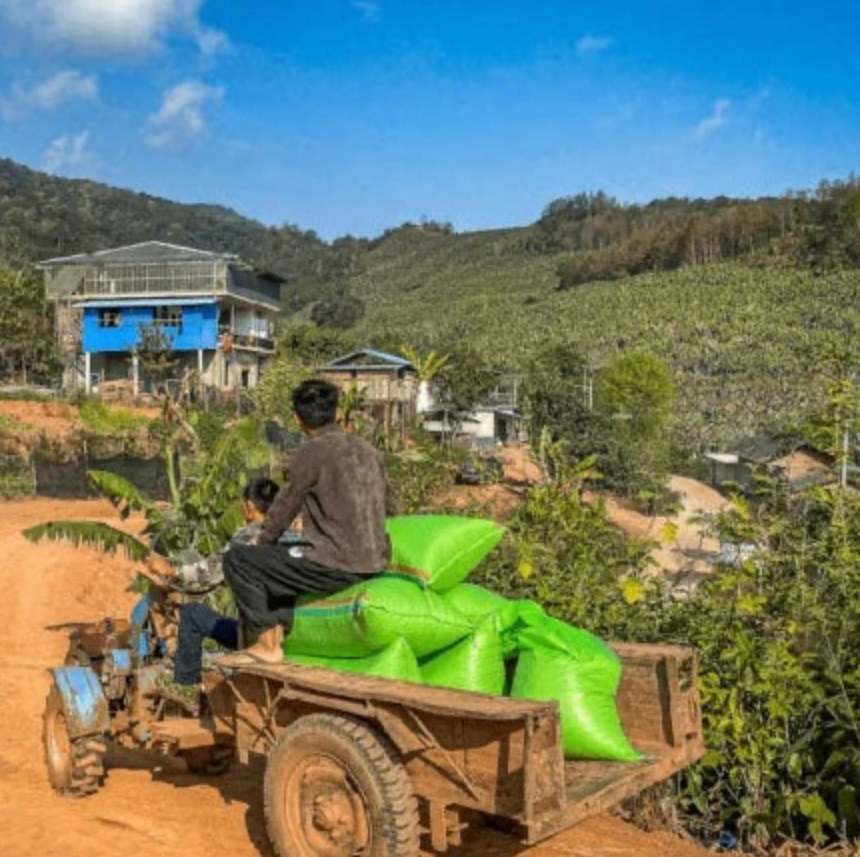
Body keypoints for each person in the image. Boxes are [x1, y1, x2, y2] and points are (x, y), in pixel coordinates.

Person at [217, 378, 394, 667]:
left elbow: (284, 507)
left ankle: (266, 643)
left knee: (239, 560)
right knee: (280, 562)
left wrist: (260, 543)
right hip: (375, 559)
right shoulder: (369, 451)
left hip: (336, 564)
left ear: (297, 418)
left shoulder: (310, 452)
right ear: (336, 412)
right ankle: (280, 633)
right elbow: (390, 507)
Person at [146, 477, 281, 703]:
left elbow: (209, 574)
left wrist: (171, 570)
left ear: (248, 507)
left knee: (191, 613)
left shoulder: (248, 537)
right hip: (285, 628)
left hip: (253, 634)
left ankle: (186, 686)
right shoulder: (294, 535)